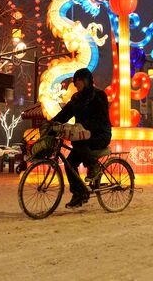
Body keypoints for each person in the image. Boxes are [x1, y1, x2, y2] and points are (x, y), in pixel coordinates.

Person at [52, 68, 112, 209]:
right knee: (70, 162)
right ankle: (79, 193)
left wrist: (86, 129)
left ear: (86, 81)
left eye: (79, 80)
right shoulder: (76, 99)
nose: (76, 83)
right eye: (75, 81)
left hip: (100, 135)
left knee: (79, 144)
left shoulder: (99, 96)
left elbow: (101, 118)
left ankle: (94, 166)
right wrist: (52, 123)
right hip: (82, 136)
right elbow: (65, 114)